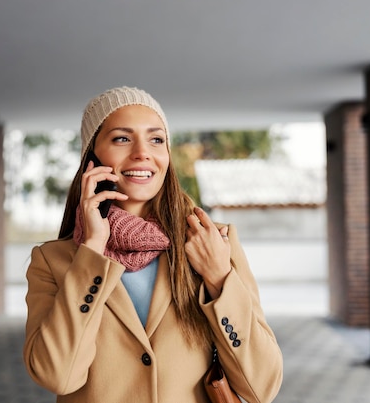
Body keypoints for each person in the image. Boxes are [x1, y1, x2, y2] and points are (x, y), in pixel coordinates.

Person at [23, 86, 283, 403]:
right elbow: (57, 377)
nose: (142, 152)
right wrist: (91, 250)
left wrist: (218, 278)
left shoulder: (213, 242)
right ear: (91, 157)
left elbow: (262, 387)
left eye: (156, 139)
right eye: (122, 138)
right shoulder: (52, 261)